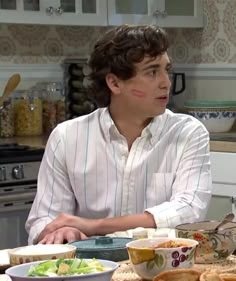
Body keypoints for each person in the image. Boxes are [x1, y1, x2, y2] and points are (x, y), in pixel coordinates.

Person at [26, 24, 212, 245]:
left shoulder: (188, 132)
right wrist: (61, 232)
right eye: (152, 72)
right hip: (89, 268)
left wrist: (94, 226)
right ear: (114, 83)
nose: (166, 82)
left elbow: (189, 210)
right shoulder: (67, 137)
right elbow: (43, 220)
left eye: (166, 70)